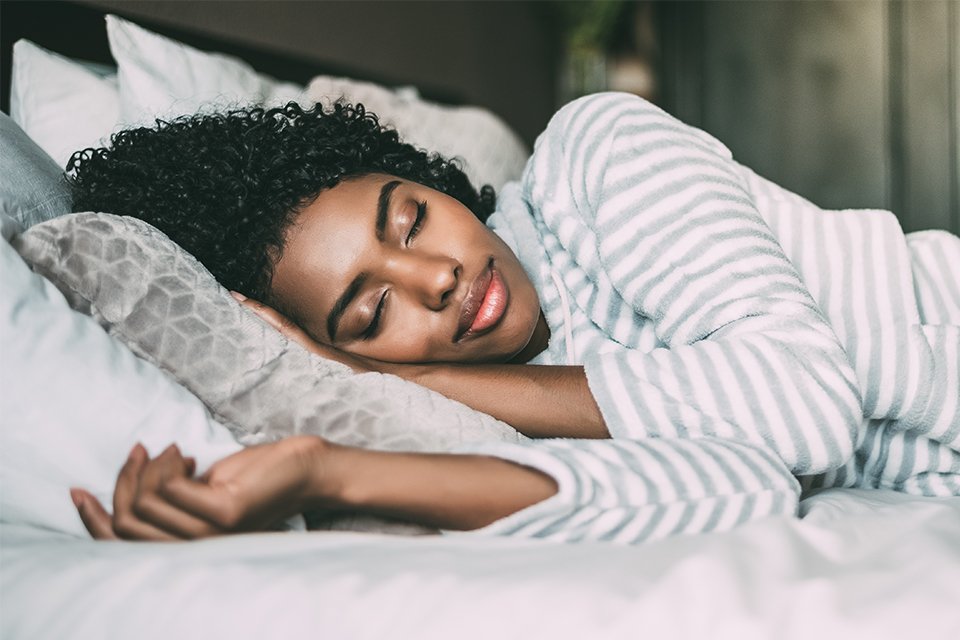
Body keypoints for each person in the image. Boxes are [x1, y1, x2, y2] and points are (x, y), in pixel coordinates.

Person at [66, 93, 960, 544]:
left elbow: (804, 405)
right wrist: (322, 472)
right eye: (374, 311)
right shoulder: (488, 411)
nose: (439, 278)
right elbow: (741, 487)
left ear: (420, 174)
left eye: (408, 216)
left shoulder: (596, 152)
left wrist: (392, 368)